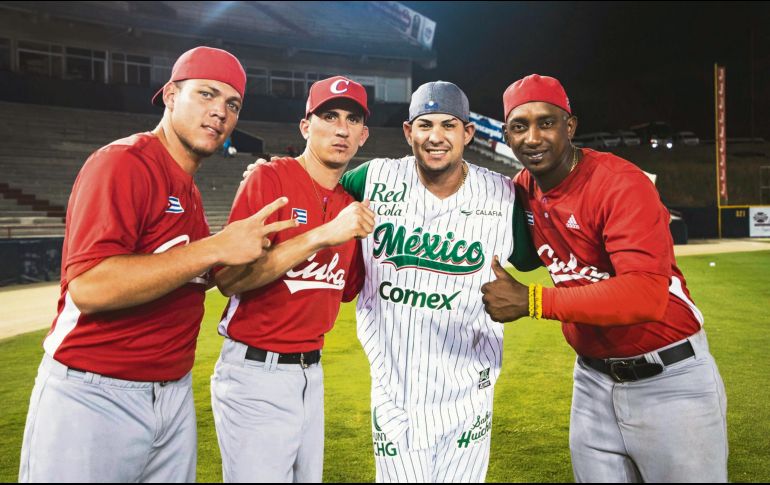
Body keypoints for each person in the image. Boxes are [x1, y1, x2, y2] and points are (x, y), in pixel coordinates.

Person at [18, 46, 297, 483]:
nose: (220, 112)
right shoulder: (124, 162)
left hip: (172, 394)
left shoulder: (188, 191)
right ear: (170, 95)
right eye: (206, 94)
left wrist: (244, 232)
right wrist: (215, 247)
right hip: (94, 393)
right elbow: (90, 287)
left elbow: (187, 271)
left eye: (232, 104)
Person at [481, 74, 728, 483]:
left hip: (671, 380)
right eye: (519, 126)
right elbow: (520, 256)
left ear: (570, 126)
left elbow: (645, 295)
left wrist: (533, 301)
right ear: (507, 136)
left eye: (546, 122)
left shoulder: (619, 183)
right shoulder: (523, 189)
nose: (533, 137)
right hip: (592, 383)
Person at [339, 81, 540, 482]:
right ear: (408, 131)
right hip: (394, 394)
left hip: (470, 396)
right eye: (425, 124)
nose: (436, 137)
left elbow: (546, 250)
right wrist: (271, 173)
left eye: (449, 125)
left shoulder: (502, 197)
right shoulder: (371, 179)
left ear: (468, 133)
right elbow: (315, 193)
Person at [210, 76, 375, 483]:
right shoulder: (270, 178)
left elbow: (346, 290)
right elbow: (228, 279)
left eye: (352, 119)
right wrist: (321, 235)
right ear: (305, 126)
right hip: (255, 373)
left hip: (310, 374)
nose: (341, 129)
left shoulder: (350, 206)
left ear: (363, 136)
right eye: (329, 116)